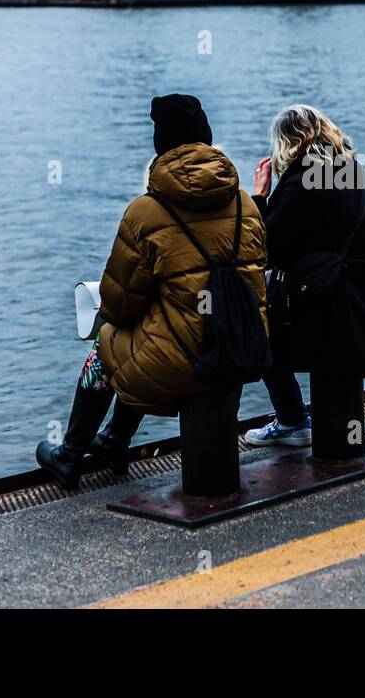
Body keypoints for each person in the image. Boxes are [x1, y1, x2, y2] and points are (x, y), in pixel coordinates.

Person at [36, 94, 268, 489]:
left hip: (186, 362)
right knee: (151, 333)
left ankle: (70, 454)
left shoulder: (145, 212)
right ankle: (112, 440)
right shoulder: (246, 203)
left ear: (161, 145)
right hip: (242, 349)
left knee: (108, 343)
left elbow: (120, 305)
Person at [244, 104, 365, 447]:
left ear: (286, 143)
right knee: (337, 382)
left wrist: (259, 199)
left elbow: (264, 252)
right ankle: (333, 438)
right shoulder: (364, 176)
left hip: (324, 309)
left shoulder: (301, 183)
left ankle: (292, 420)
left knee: (253, 324)